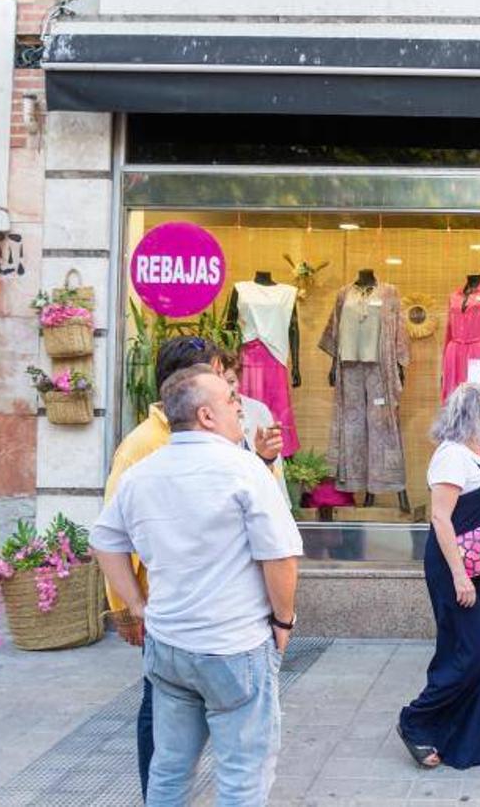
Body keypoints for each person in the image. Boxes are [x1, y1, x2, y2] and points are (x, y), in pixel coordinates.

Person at [91, 364, 304, 806]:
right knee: (242, 776)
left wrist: (138, 605)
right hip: (233, 646)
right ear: (206, 416)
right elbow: (280, 556)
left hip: (169, 645)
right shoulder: (245, 470)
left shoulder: (142, 473)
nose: (239, 407)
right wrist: (283, 621)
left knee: (169, 770)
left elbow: (104, 540)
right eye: (230, 400)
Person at [102, 335, 224, 803]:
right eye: (215, 372)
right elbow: (111, 535)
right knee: (159, 708)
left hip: (204, 606)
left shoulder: (207, 437)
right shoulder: (142, 446)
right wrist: (128, 608)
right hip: (163, 609)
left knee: (183, 709)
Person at [399, 383, 480, 770]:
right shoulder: (450, 457)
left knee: (470, 651)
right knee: (470, 654)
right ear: (474, 415)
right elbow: (440, 518)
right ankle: (416, 719)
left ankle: (461, 738)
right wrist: (461, 577)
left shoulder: (473, 456)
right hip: (457, 569)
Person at [221, 350, 288, 500]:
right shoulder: (210, 416)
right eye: (222, 383)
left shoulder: (258, 410)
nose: (229, 389)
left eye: (232, 382)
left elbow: (275, 464)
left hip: (264, 494)